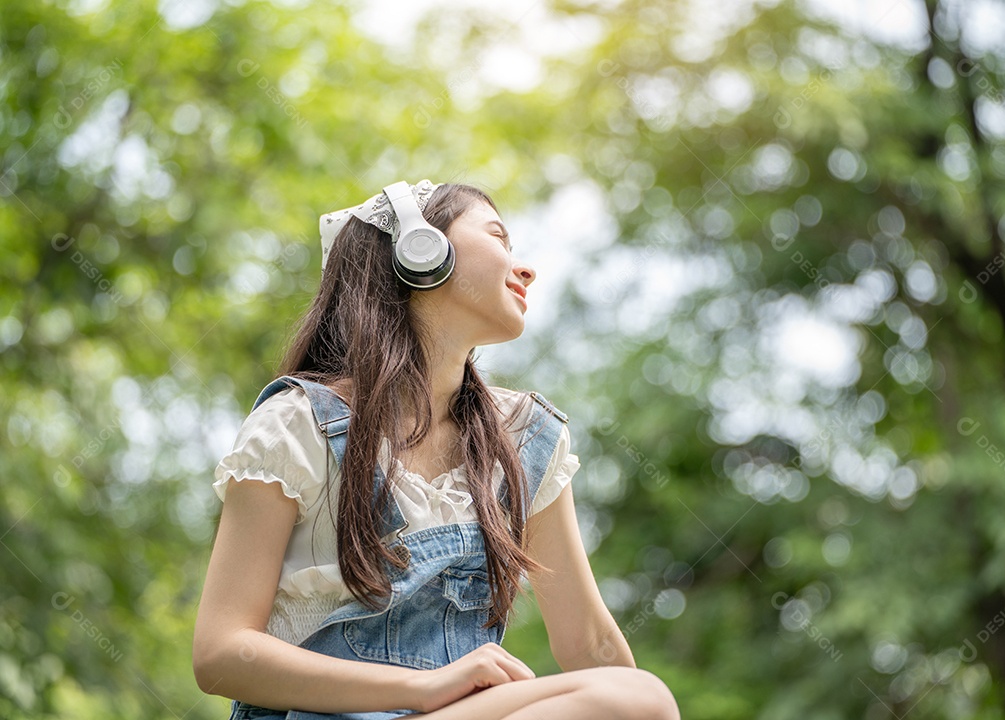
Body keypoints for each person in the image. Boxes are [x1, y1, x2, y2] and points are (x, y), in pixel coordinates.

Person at [192, 180, 680, 720]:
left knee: (637, 698)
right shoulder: (297, 424)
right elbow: (219, 655)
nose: (526, 269)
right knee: (641, 698)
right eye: (498, 237)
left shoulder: (524, 438)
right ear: (421, 250)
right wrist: (422, 689)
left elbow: (591, 648)